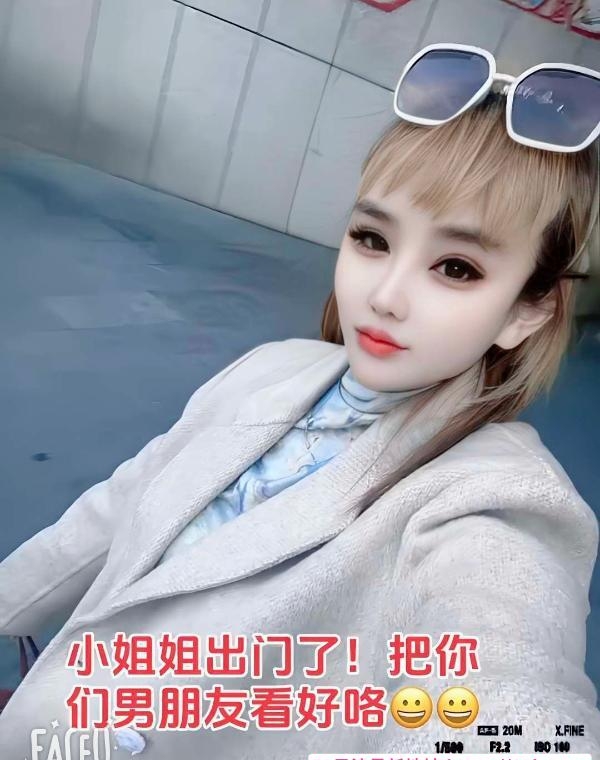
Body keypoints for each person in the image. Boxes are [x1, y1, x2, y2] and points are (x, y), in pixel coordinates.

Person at [0, 45, 599, 758]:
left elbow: (515, 694)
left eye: (456, 267)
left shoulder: (495, 503)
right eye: (372, 238)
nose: (385, 296)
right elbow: (121, 505)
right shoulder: (272, 369)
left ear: (527, 311)